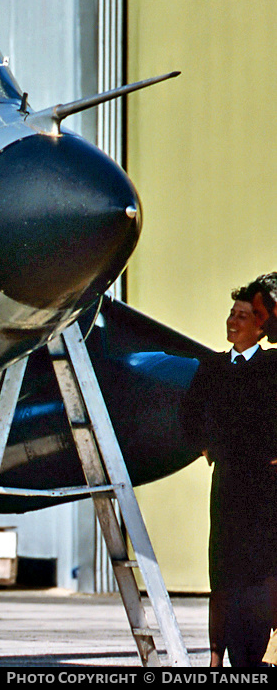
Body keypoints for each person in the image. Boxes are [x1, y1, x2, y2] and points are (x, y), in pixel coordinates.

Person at [180, 285, 277, 666]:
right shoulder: (213, 368)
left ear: (260, 326)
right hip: (229, 483)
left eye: (241, 316)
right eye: (230, 314)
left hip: (268, 488)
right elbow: (189, 416)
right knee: (223, 571)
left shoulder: (273, 366)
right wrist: (206, 448)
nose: (231, 322)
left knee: (265, 570)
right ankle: (217, 657)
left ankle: (263, 653)